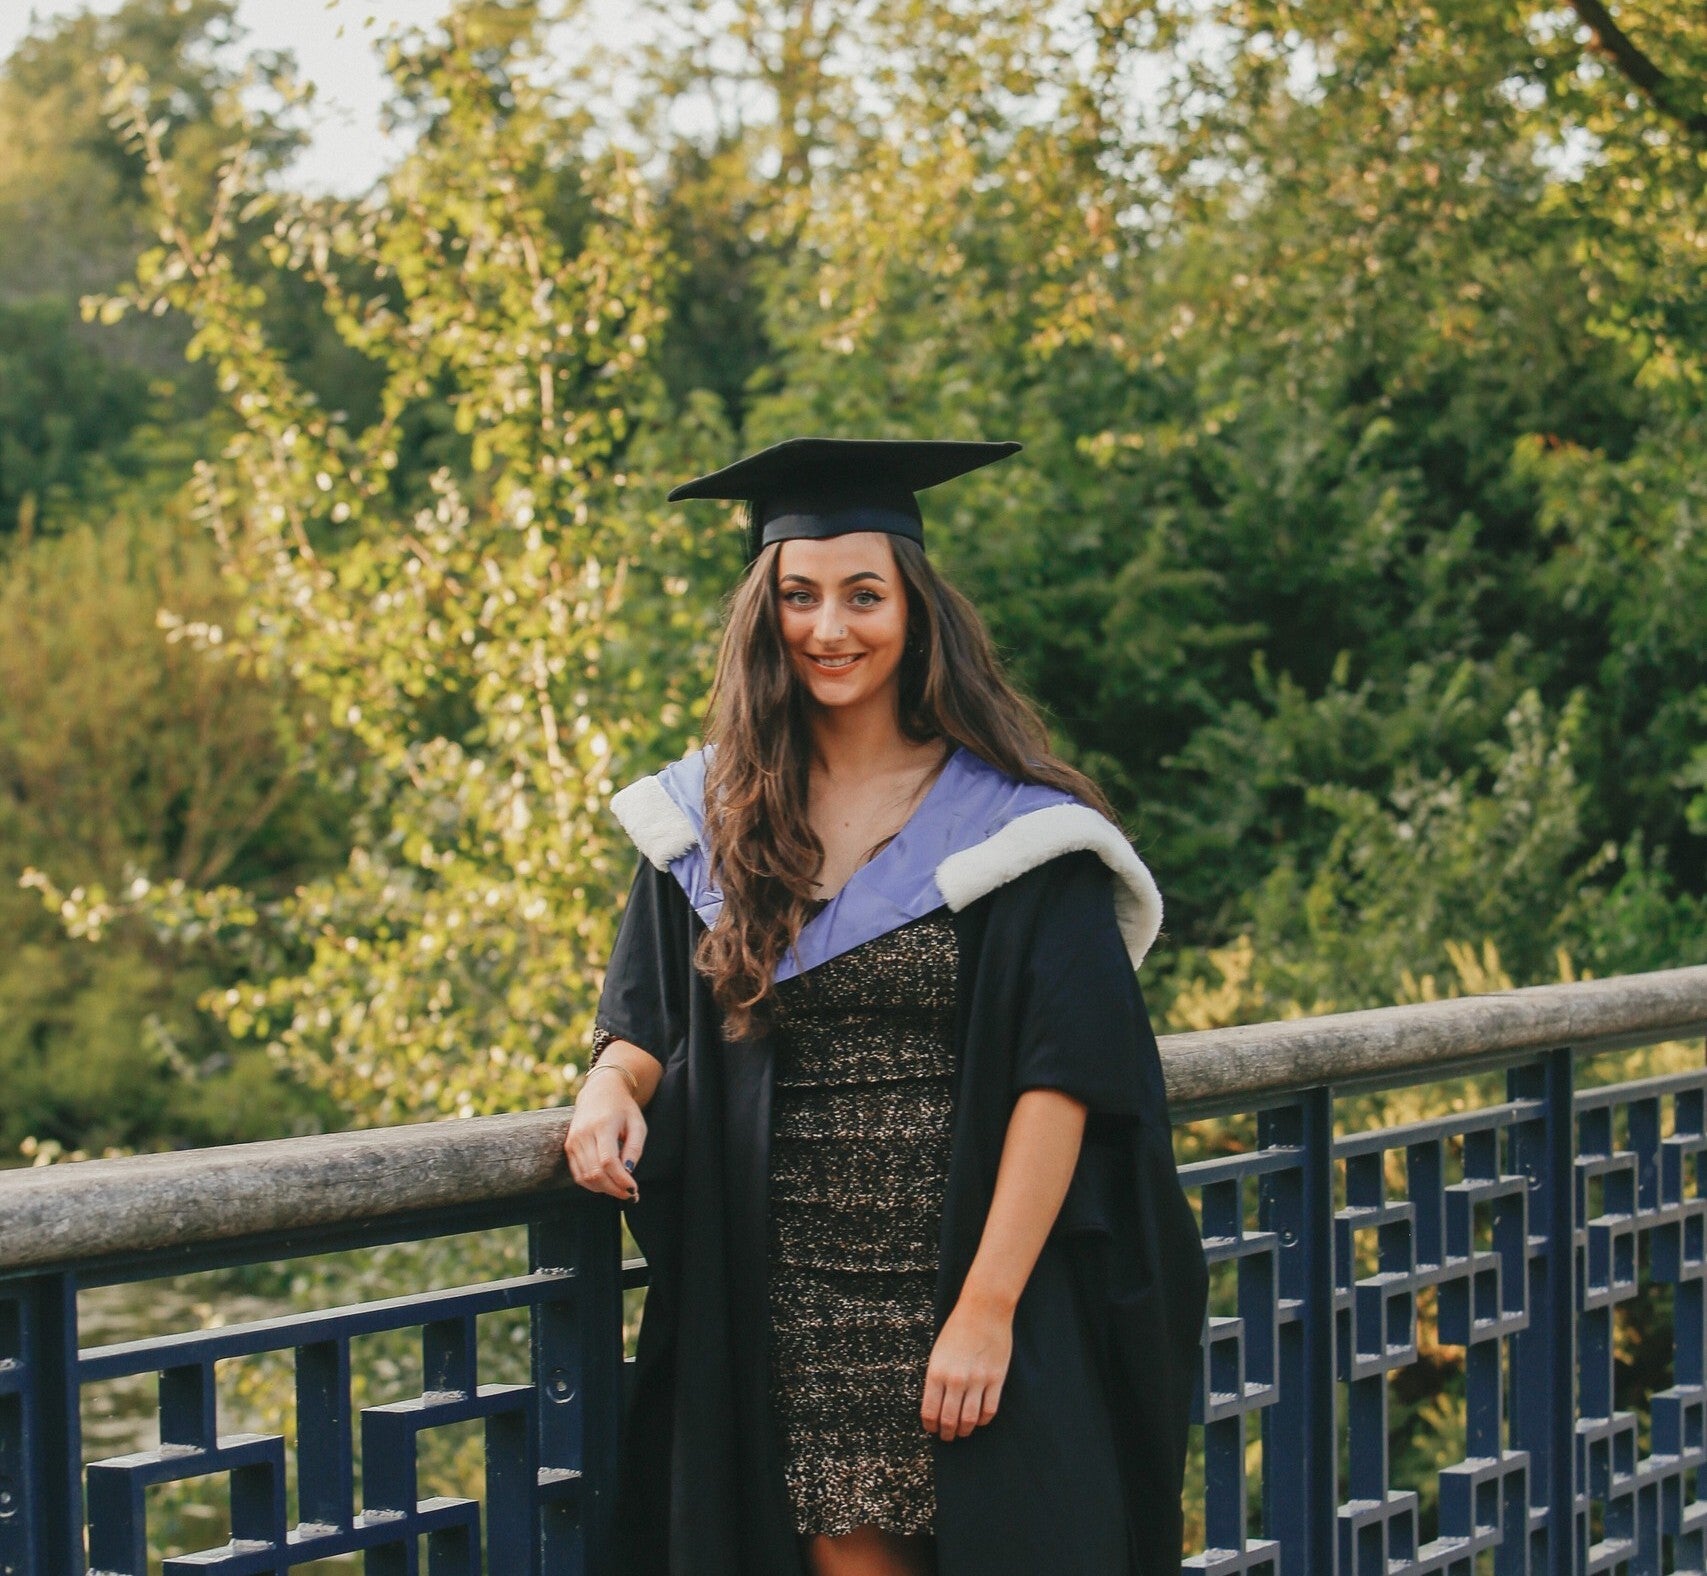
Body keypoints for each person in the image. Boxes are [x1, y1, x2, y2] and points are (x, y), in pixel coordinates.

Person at [564, 437, 1209, 1576]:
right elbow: (650, 1014)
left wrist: (989, 1304)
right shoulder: (714, 816)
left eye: (865, 595)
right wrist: (609, 1086)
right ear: (765, 616)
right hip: (799, 1296)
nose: (830, 628)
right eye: (799, 597)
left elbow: (1063, 1077)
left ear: (915, 608)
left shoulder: (1016, 829)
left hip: (972, 1268)